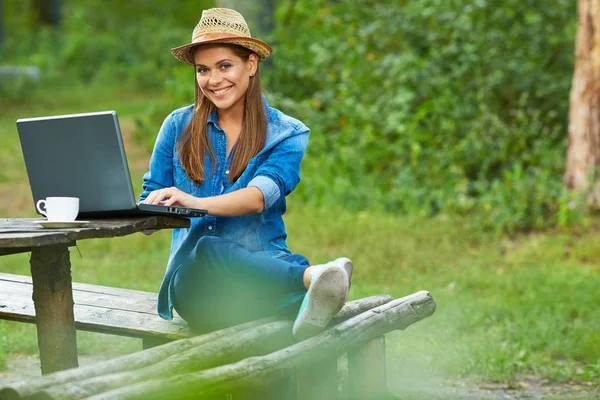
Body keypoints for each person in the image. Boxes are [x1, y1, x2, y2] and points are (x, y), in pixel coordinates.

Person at [139, 8, 353, 340]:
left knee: (280, 303)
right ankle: (311, 279)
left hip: (264, 271)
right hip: (197, 284)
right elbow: (150, 197)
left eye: (225, 66)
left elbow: (258, 198)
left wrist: (195, 202)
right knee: (210, 249)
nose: (213, 80)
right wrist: (149, 208)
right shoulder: (177, 126)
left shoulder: (286, 133)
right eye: (203, 70)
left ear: (251, 64)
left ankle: (304, 297)